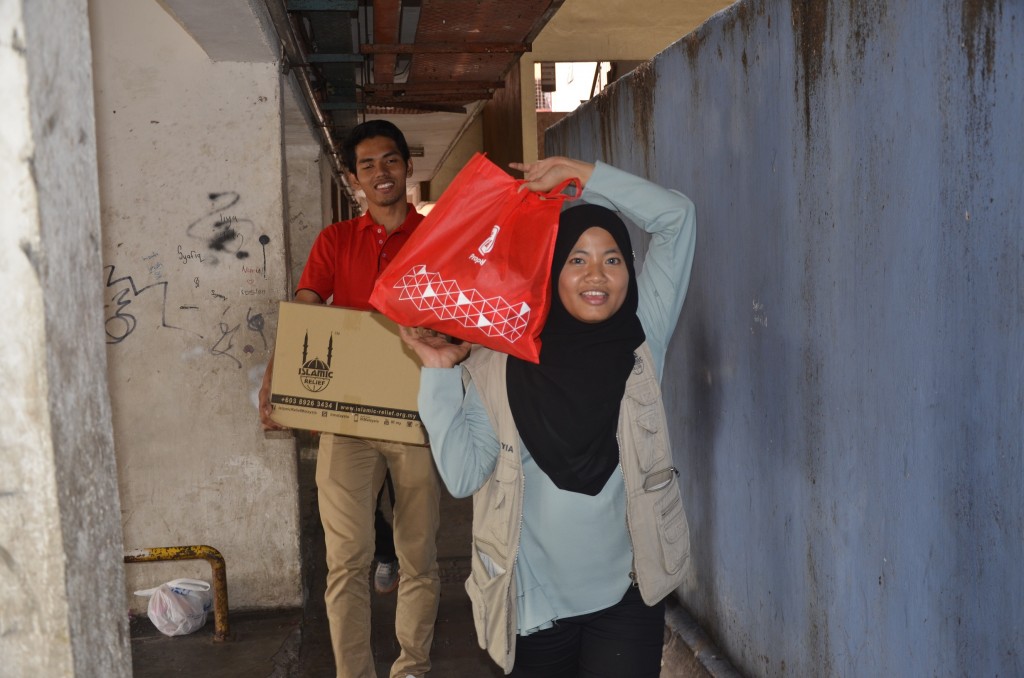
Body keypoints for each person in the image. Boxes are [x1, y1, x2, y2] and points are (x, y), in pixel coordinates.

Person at [399, 156, 696, 677]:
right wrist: (440, 373)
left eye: (612, 260)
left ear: (630, 268)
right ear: (550, 271)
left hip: (628, 596)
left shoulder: (640, 340)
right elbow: (465, 475)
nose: (596, 276)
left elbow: (677, 218)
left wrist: (585, 176)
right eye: (576, 260)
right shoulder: (500, 361)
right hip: (531, 608)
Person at [259, 119, 441, 678]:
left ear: (408, 167)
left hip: (419, 414)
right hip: (347, 418)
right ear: (353, 177)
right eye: (367, 165)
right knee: (347, 561)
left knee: (418, 557)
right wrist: (275, 381)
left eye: (390, 160)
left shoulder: (439, 239)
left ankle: (411, 668)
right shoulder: (335, 241)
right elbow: (308, 308)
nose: (380, 173)